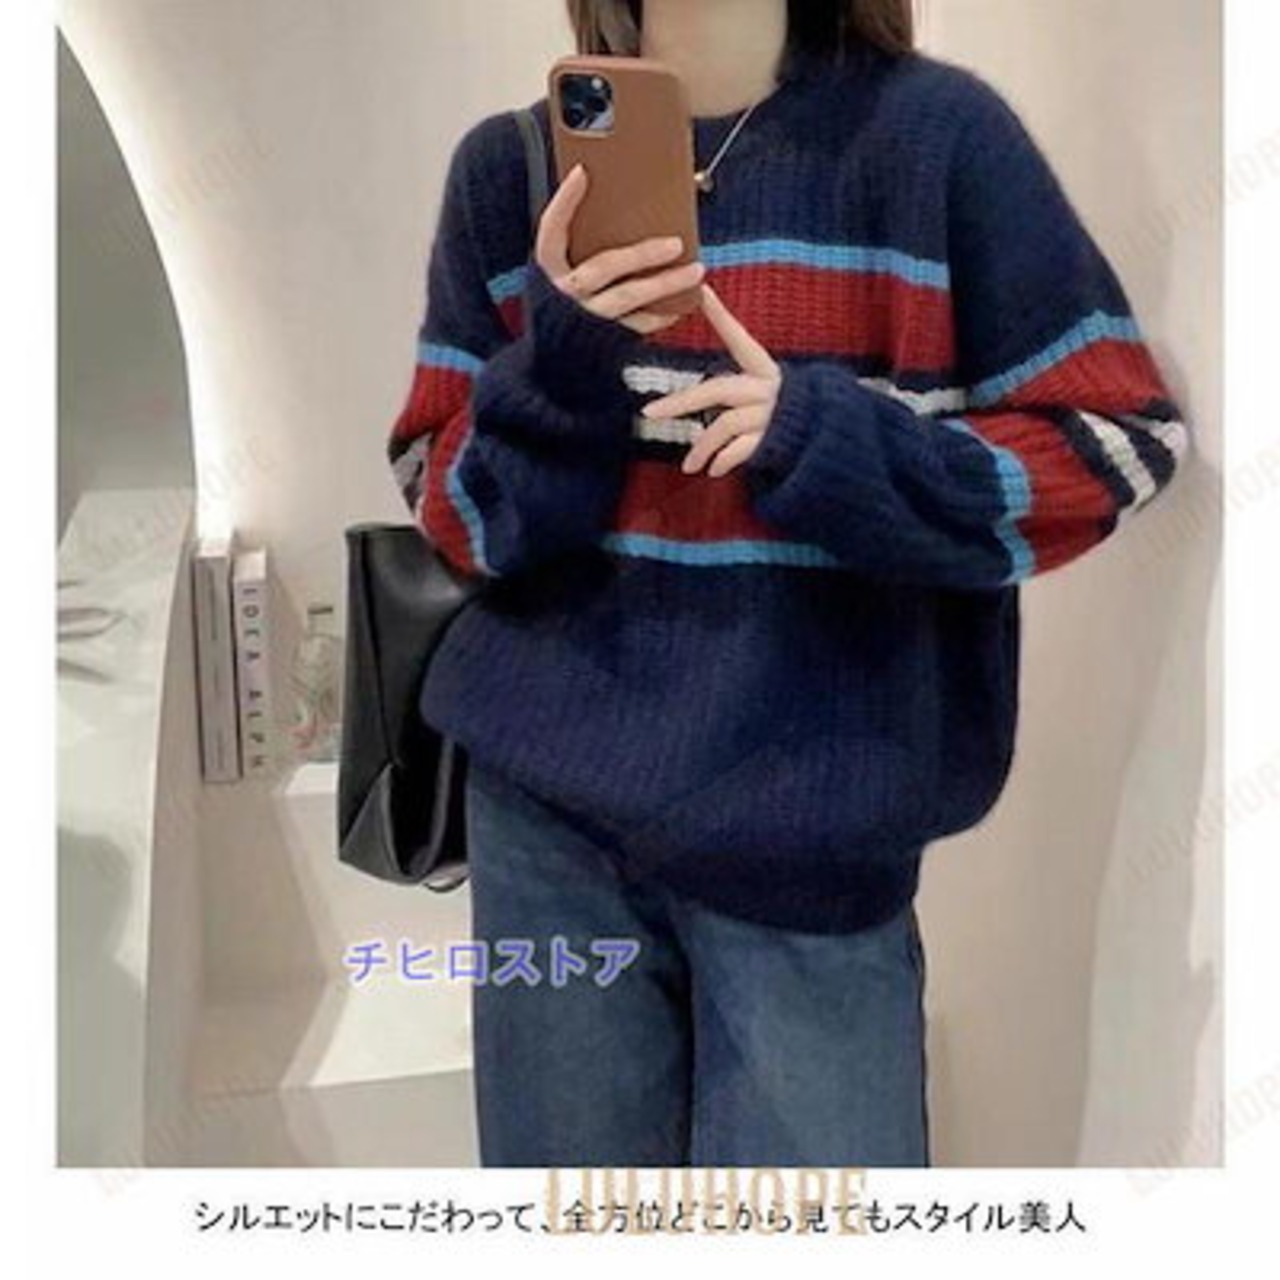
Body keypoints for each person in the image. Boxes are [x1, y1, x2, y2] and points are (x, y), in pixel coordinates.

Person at [386, 0, 1190, 1167]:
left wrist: (828, 438)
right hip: (543, 831)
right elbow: (455, 516)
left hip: (812, 836)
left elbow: (1115, 444)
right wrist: (562, 364)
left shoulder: (935, 140)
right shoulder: (510, 171)